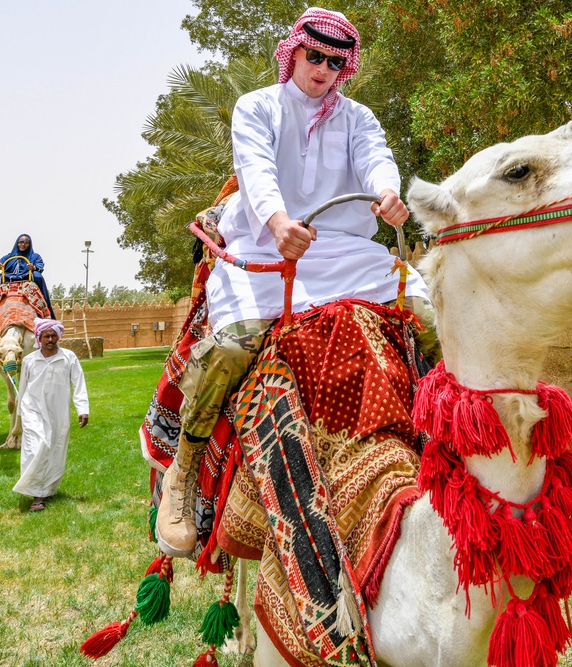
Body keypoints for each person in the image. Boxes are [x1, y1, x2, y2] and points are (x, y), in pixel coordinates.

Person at [155, 6, 436, 559]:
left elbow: (376, 158)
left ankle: (450, 441)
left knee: (430, 320)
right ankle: (184, 468)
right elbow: (256, 170)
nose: (325, 68)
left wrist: (388, 193)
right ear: (295, 52)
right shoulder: (256, 106)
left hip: (348, 252)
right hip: (265, 244)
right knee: (234, 344)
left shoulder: (358, 117)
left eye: (337, 61)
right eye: (316, 56)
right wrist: (278, 223)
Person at [13, 318, 89, 512]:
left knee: (55, 450)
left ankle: (46, 490)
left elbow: (78, 383)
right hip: (32, 410)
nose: (50, 339)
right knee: (37, 447)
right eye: (46, 335)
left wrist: (82, 409)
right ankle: (36, 492)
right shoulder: (30, 360)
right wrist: (20, 415)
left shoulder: (68, 358)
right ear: (39, 338)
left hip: (58, 412)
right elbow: (23, 388)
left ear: (58, 336)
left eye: (53, 335)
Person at [0, 233, 56, 318]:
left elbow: (40, 267)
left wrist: (33, 267)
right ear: (17, 243)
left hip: (27, 276)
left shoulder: (35, 256)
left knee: (37, 276)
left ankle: (46, 305)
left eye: (26, 243)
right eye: (21, 242)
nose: (23, 244)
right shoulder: (9, 256)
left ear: (29, 244)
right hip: (8, 277)